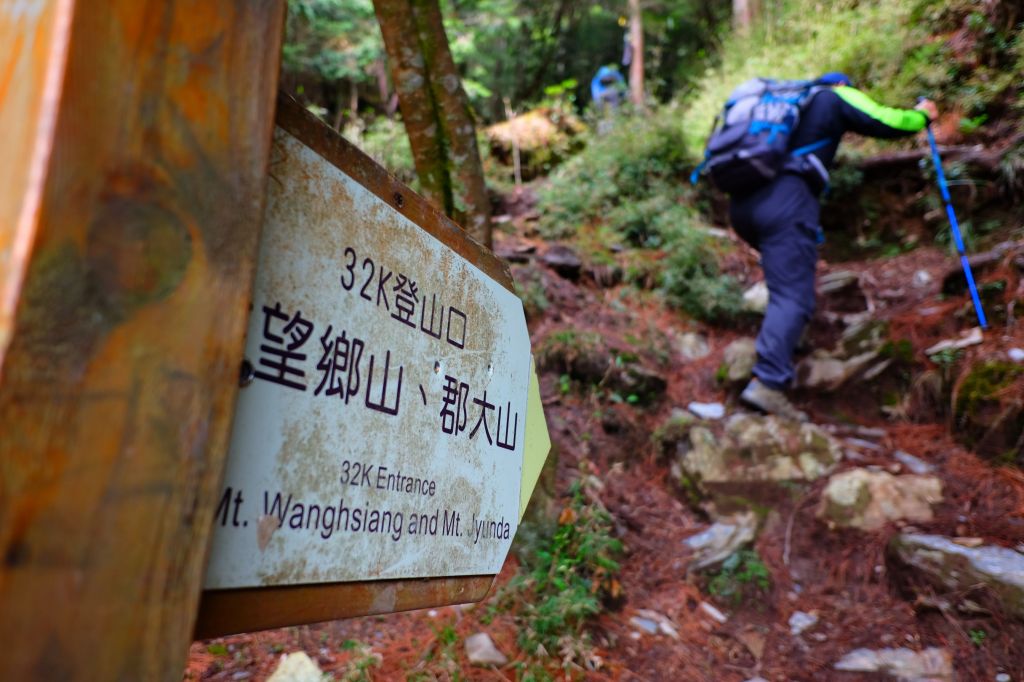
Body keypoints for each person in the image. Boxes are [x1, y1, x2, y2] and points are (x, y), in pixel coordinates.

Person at [733, 72, 938, 422]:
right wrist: (921, 115)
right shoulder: (835, 96)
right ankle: (768, 381)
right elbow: (885, 119)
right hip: (786, 200)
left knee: (788, 279)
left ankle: (790, 338)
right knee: (792, 296)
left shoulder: (779, 104)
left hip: (742, 203)